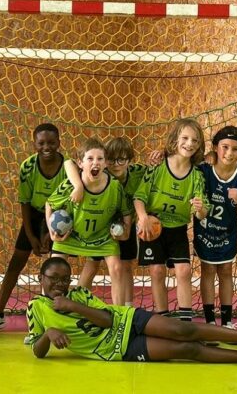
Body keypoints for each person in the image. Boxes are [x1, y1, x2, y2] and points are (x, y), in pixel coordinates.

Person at [27, 257, 237, 364]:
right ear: (41, 278)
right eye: (53, 278)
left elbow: (106, 320)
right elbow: (38, 352)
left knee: (183, 329)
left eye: (65, 279)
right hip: (116, 349)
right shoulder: (36, 307)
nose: (59, 284)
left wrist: (72, 305)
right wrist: (48, 334)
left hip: (127, 321)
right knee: (186, 350)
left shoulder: (78, 295)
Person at [0, 123, 67, 336]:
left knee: (57, 269)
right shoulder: (28, 166)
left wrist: (50, 232)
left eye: (51, 142)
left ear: (59, 143)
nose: (46, 147)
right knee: (16, 262)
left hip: (60, 216)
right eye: (41, 143)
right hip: (33, 215)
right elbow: (25, 202)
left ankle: (52, 319)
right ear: (34, 144)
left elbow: (69, 202)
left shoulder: (68, 166)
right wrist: (31, 235)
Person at [133, 118, 209, 321]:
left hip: (178, 229)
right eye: (185, 138)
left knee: (183, 271)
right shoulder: (157, 166)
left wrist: (200, 209)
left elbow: (201, 213)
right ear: (175, 139)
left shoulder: (197, 176)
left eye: (195, 140)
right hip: (153, 226)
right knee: (157, 271)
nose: (189, 143)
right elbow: (139, 197)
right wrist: (143, 217)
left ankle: (185, 321)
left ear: (199, 145)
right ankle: (163, 319)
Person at [47, 138, 132, 305]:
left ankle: (119, 313)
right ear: (80, 163)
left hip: (102, 236)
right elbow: (49, 204)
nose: (96, 162)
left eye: (100, 159)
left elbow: (126, 211)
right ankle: (47, 307)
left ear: (106, 163)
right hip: (72, 235)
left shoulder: (115, 187)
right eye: (90, 159)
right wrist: (51, 231)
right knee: (53, 267)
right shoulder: (71, 185)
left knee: (117, 268)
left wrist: (126, 231)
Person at [65, 137, 148, 306]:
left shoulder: (138, 171)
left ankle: (127, 308)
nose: (116, 164)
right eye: (111, 159)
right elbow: (68, 163)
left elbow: (158, 170)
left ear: (130, 160)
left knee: (125, 266)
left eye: (121, 159)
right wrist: (78, 186)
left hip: (126, 224)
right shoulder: (101, 174)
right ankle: (75, 304)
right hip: (101, 225)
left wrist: (159, 158)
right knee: (92, 264)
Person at [193, 126, 237, 337]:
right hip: (205, 232)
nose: (229, 153)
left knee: (226, 271)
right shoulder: (203, 169)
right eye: (224, 147)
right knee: (208, 270)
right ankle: (210, 320)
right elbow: (186, 161)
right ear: (215, 147)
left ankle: (227, 320)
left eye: (235, 149)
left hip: (227, 234)